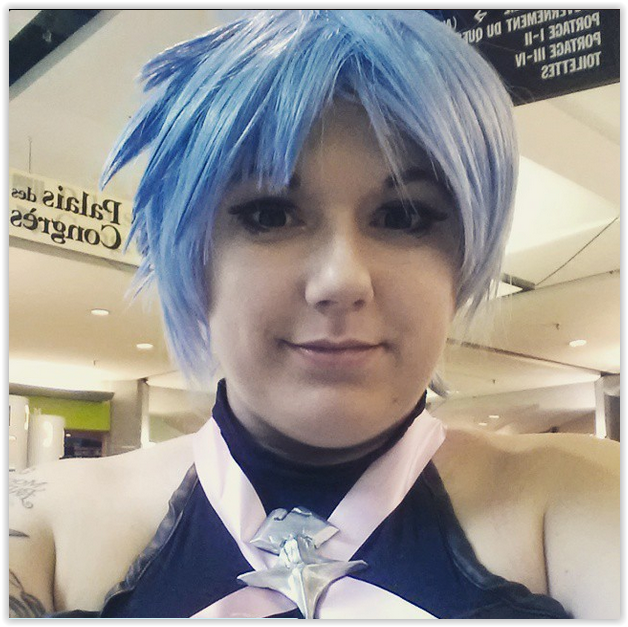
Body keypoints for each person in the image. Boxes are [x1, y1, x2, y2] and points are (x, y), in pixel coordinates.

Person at [9, 10, 619, 619]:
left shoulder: (580, 498)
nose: (341, 281)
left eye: (404, 216)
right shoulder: (47, 528)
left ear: (464, 258)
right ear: (193, 256)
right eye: (270, 214)